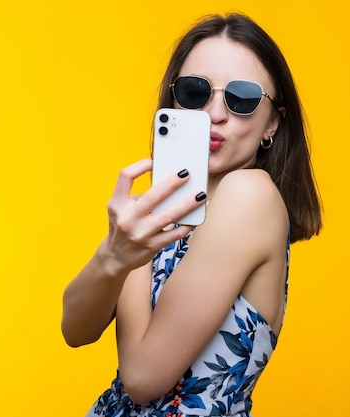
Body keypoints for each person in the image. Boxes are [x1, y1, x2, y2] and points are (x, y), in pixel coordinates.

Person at [61, 13, 322, 417]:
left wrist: (133, 256)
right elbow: (75, 330)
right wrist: (115, 252)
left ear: (272, 122)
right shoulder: (159, 214)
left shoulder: (249, 195)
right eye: (195, 91)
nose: (215, 113)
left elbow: (143, 379)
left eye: (242, 98)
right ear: (174, 102)